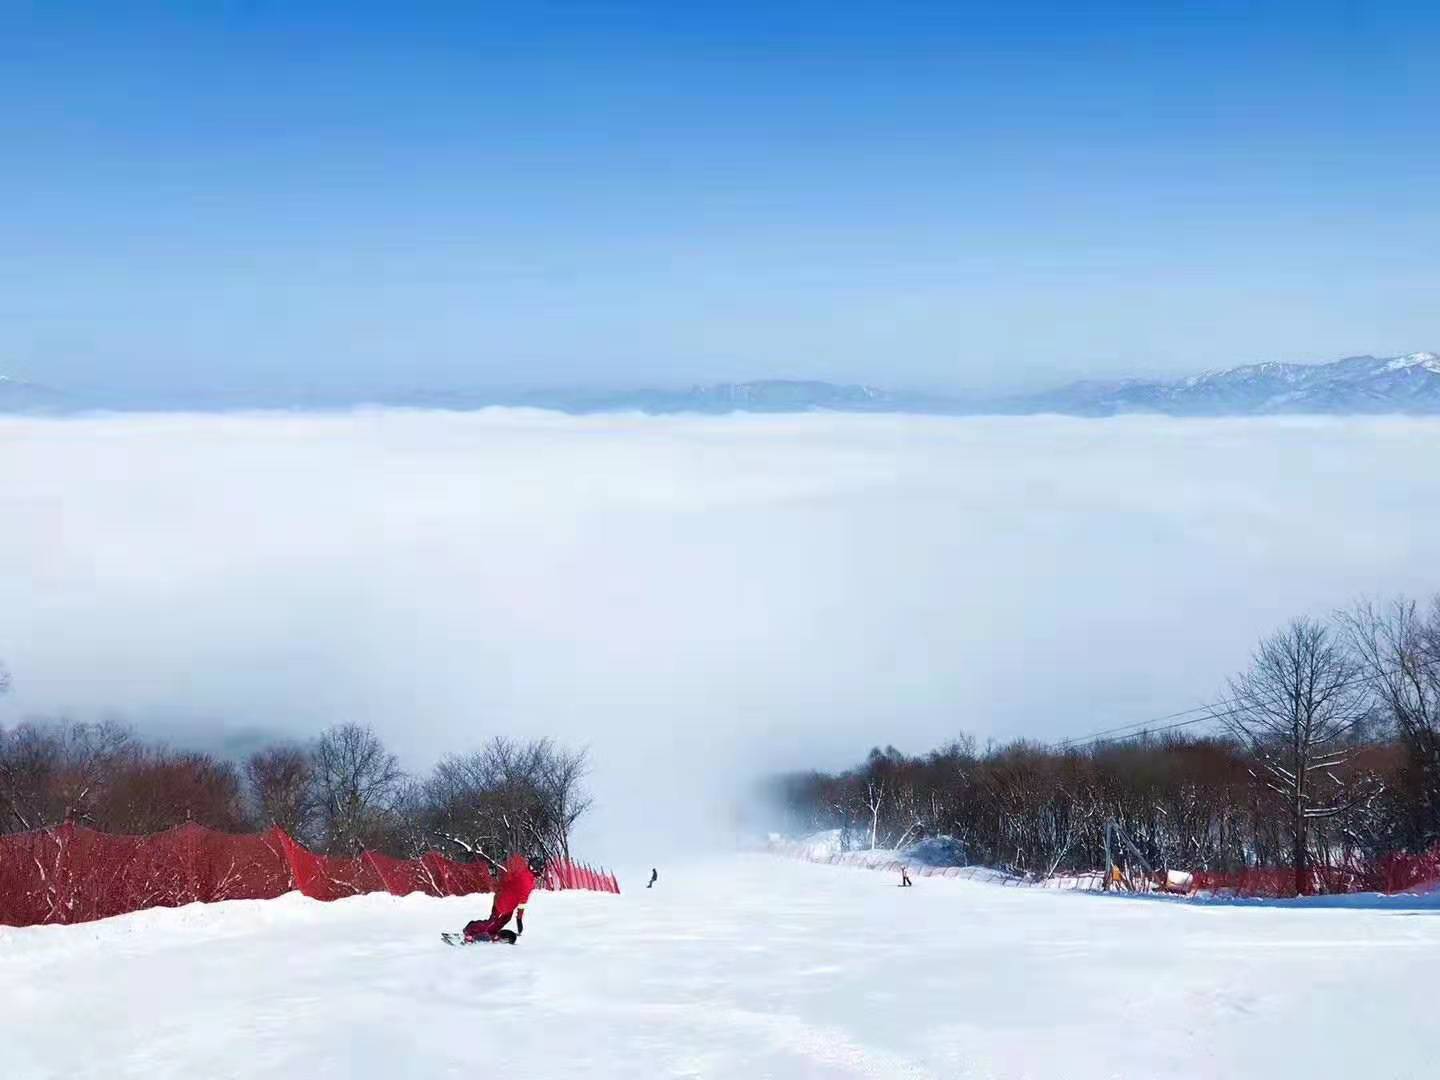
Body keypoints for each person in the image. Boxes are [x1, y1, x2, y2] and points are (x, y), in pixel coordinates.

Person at [463, 852, 542, 943]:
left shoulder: (526, 875)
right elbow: (523, 900)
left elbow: (510, 878)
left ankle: (490, 932)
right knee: (492, 920)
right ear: (536, 869)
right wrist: (519, 919)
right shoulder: (527, 880)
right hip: (503, 901)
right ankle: (470, 930)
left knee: (505, 918)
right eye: (540, 868)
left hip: (508, 902)